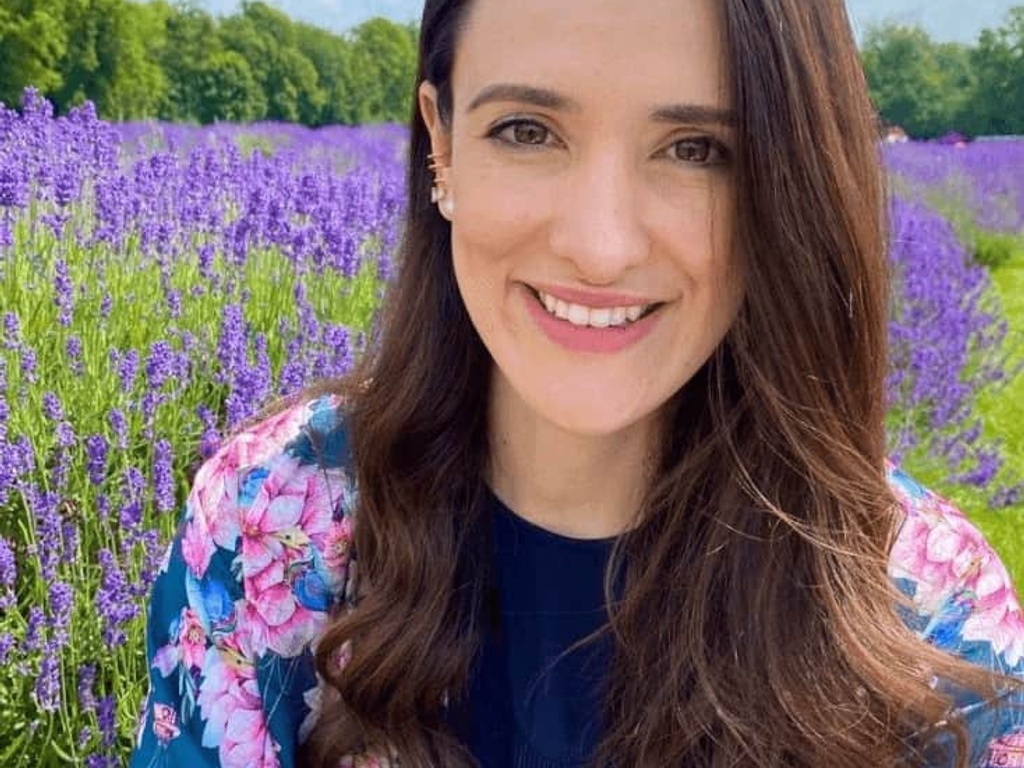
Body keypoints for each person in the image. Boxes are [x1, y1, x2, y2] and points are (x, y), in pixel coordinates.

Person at [129, 0, 1024, 766]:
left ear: (784, 179)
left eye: (696, 148)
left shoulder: (929, 622)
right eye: (527, 131)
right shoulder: (270, 522)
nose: (601, 246)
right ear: (441, 146)